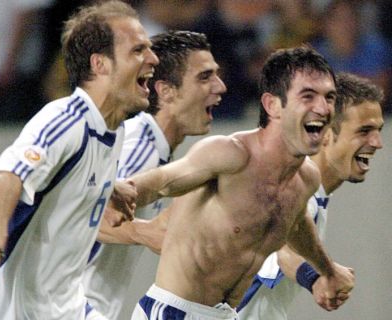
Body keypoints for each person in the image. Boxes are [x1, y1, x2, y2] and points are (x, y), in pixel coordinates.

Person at [0, 1, 158, 319]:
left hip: (65, 306)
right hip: (11, 311)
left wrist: (107, 189)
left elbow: (68, 177)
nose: (153, 58)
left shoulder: (111, 129)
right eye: (138, 50)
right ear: (100, 64)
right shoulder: (65, 120)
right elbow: (6, 176)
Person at [128, 46, 355, 320]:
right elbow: (161, 182)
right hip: (173, 312)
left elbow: (295, 222)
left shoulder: (305, 178)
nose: (323, 108)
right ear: (272, 105)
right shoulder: (230, 154)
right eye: (308, 96)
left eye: (329, 97)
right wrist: (111, 191)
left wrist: (326, 270)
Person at [82, 30, 227, 320]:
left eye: (216, 75)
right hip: (70, 304)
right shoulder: (140, 147)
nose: (220, 87)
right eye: (204, 77)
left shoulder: (157, 149)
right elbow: (83, 212)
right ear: (166, 91)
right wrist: (146, 231)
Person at [237, 72, 384, 319]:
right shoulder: (296, 190)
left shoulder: (308, 191)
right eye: (364, 131)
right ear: (326, 134)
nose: (377, 142)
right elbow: (282, 251)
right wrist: (317, 279)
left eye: (378, 130)